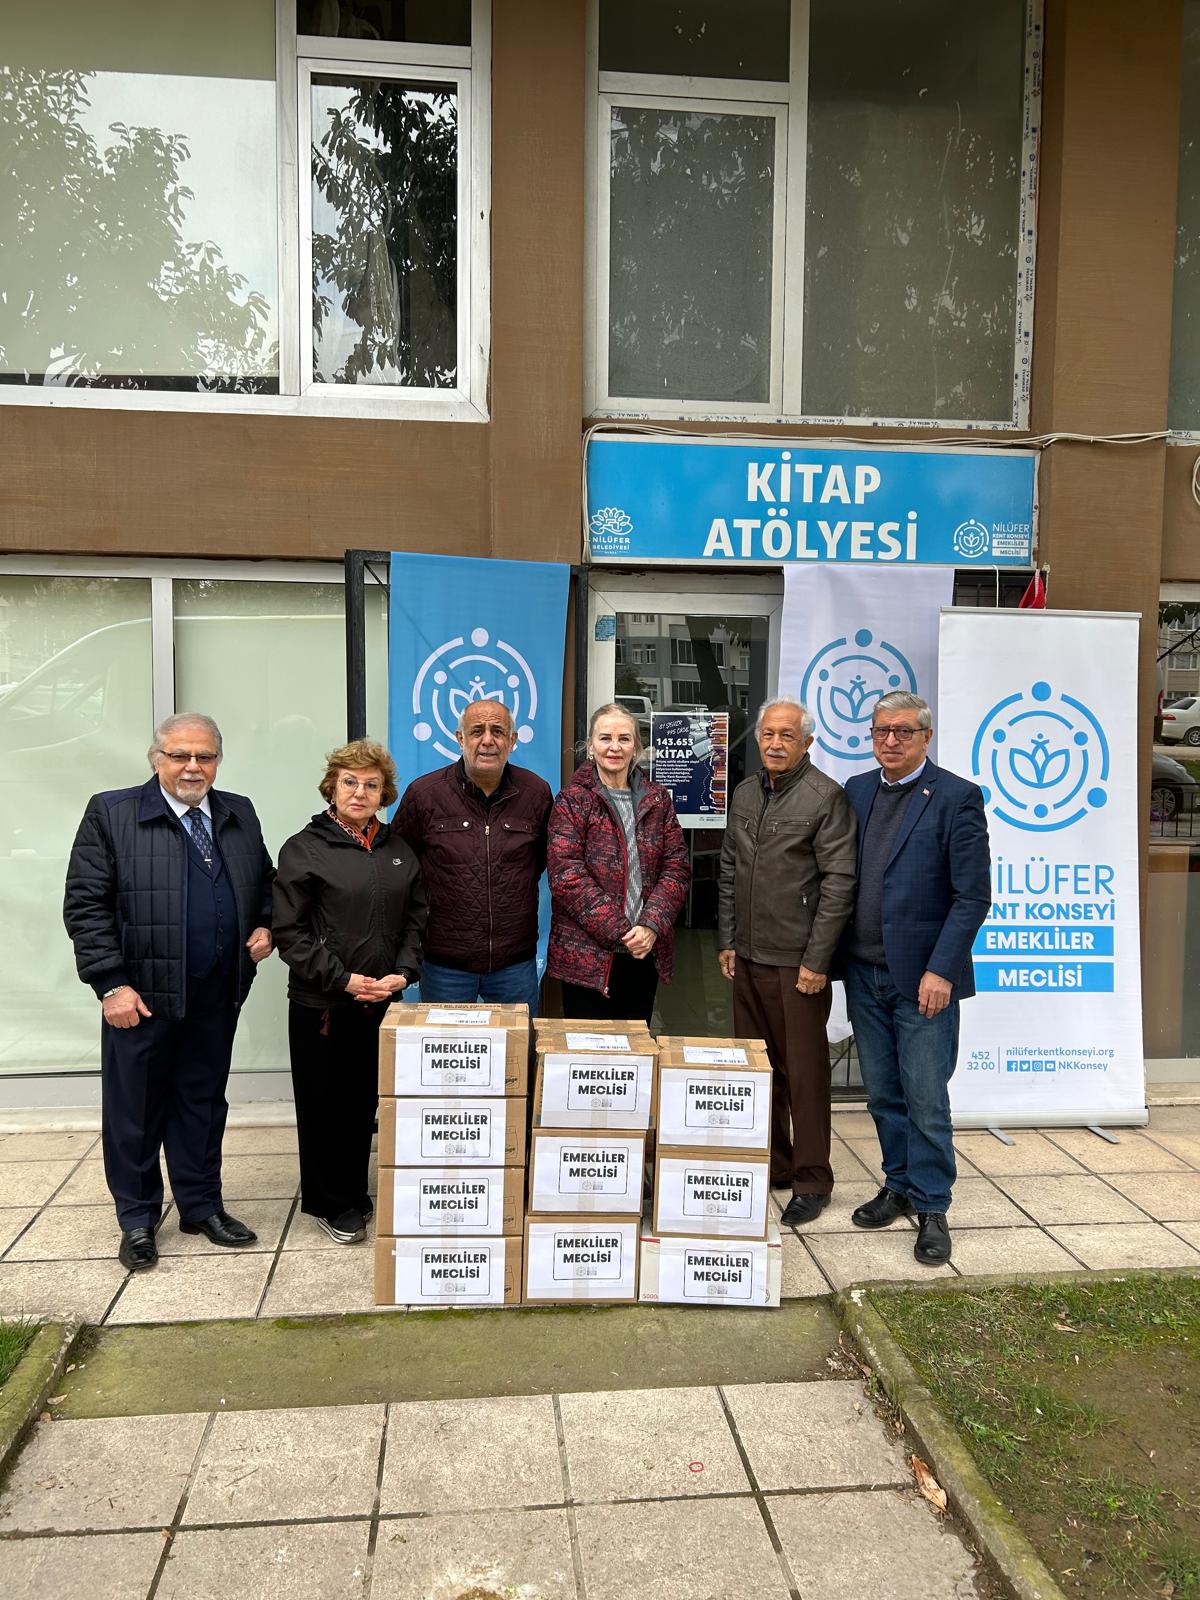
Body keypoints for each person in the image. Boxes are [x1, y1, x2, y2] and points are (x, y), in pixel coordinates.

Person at [63, 714, 275, 1272]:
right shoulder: (112, 813)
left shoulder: (238, 812)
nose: (192, 767)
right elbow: (85, 905)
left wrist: (266, 924)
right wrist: (110, 984)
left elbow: (265, 882)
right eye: (180, 755)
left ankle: (201, 1207)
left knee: (202, 1103)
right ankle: (137, 1220)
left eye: (204, 756)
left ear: (218, 761)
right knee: (135, 1110)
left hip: (216, 991)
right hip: (141, 996)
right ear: (156, 758)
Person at [838, 691, 991, 1266]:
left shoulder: (956, 796)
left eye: (903, 731)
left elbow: (972, 896)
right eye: (881, 731)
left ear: (926, 736)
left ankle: (931, 1206)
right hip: (864, 972)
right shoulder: (857, 791)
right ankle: (898, 1184)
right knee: (883, 1094)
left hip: (924, 981)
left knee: (925, 1098)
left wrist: (941, 970)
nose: (891, 740)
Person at [273, 740, 425, 1243]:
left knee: (362, 1103)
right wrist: (341, 979)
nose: (360, 792)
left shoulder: (397, 849)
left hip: (380, 1000)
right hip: (324, 1002)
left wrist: (403, 973)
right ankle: (328, 1201)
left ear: (384, 794)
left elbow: (416, 919)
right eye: (350, 782)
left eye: (371, 785)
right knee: (324, 1105)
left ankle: (354, 1192)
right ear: (332, 788)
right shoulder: (305, 848)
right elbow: (290, 932)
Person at [718, 696, 858, 1226]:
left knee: (805, 1075)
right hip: (748, 957)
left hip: (798, 964)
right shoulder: (745, 792)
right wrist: (727, 940)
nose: (775, 744)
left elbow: (839, 884)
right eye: (768, 734)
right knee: (760, 1070)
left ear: (807, 743)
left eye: (787, 736)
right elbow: (729, 869)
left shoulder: (826, 797)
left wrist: (817, 960)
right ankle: (775, 1165)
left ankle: (812, 1178)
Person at [396, 699, 551, 1017]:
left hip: (514, 963)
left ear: (513, 740)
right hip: (445, 965)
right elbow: (400, 868)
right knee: (447, 1049)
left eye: (498, 731)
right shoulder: (424, 794)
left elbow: (539, 862)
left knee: (516, 1048)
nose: (488, 740)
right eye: (477, 731)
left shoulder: (536, 793)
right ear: (460, 738)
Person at [547, 703, 690, 1026]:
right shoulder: (572, 800)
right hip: (587, 957)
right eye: (605, 738)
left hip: (644, 950)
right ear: (590, 746)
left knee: (634, 1046)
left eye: (624, 738)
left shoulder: (658, 799)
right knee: (589, 1050)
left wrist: (651, 925)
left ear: (636, 747)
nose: (614, 747)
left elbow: (677, 867)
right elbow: (566, 875)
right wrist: (622, 931)